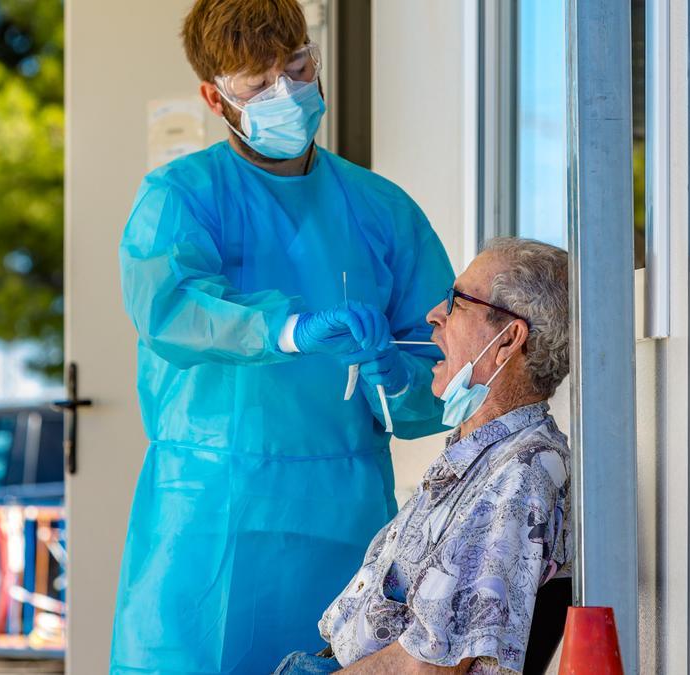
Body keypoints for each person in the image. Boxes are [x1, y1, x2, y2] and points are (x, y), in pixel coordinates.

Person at [111, 1, 455, 673]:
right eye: (257, 85)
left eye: (297, 69)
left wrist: (397, 374)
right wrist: (289, 330)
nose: (286, 95)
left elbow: (447, 367)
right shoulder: (181, 197)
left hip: (343, 514)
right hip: (209, 520)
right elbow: (173, 309)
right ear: (214, 97)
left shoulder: (381, 210)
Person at [275, 238, 573, 675]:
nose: (434, 315)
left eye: (457, 302)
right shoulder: (479, 456)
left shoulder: (523, 472)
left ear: (508, 339)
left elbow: (428, 667)